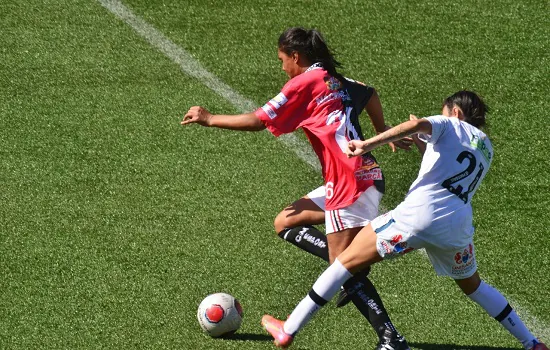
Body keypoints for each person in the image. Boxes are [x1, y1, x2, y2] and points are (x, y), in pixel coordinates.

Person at [261, 90, 548, 350]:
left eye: (444, 110)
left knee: (344, 262)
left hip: (418, 216)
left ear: (455, 111)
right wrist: (424, 143)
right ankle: (531, 343)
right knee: (474, 286)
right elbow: (441, 167)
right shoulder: (485, 148)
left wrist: (367, 144)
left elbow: (415, 125)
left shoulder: (448, 123)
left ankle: (288, 329)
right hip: (457, 227)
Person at [182, 27, 412, 349]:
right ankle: (352, 273)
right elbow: (369, 92)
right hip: (357, 177)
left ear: (296, 56)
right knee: (285, 222)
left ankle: (391, 338)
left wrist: (209, 118)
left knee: (342, 268)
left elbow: (258, 120)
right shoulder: (334, 79)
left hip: (350, 183)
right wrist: (382, 129)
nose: (282, 68)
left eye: (282, 60)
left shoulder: (304, 82)